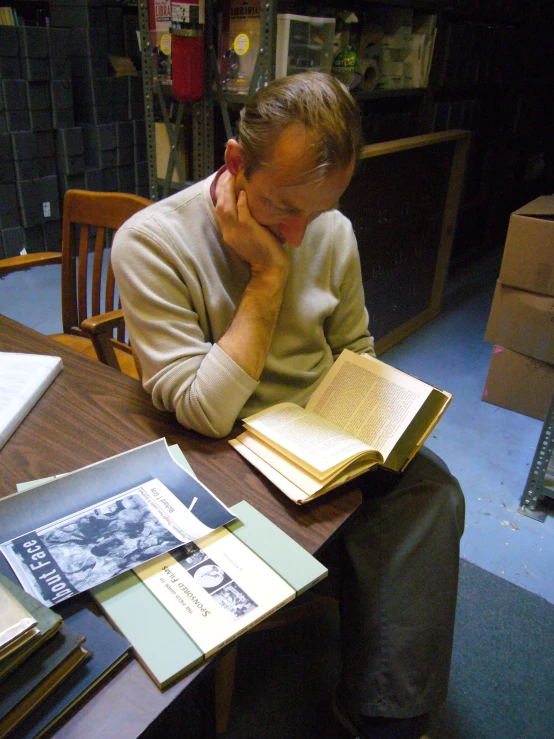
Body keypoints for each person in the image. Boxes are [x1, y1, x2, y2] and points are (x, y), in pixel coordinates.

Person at [112, 71, 465, 739]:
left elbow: (354, 350)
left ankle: (384, 715)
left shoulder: (328, 230)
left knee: (432, 489)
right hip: (221, 452)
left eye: (322, 209)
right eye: (282, 207)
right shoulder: (151, 242)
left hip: (315, 443)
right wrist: (267, 281)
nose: (301, 236)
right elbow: (205, 411)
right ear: (236, 163)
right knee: (384, 538)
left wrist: (377, 418)